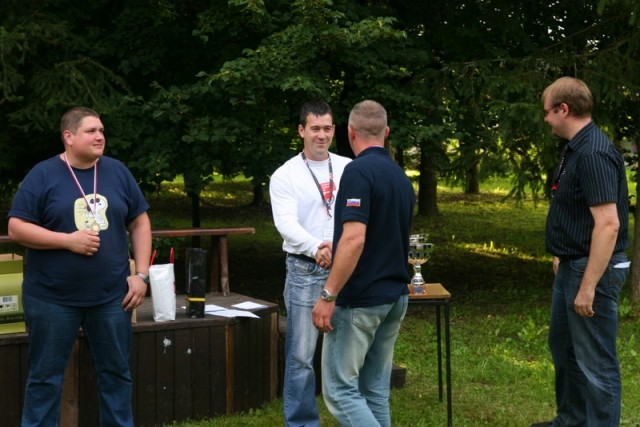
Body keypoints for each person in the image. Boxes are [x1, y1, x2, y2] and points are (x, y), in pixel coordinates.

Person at [8, 107, 152, 426]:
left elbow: (140, 222)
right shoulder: (43, 174)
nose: (100, 136)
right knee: (45, 379)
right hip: (51, 298)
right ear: (69, 137)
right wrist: (67, 241)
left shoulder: (117, 172)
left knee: (116, 375)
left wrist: (141, 275)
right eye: (91, 131)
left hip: (111, 297)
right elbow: (17, 227)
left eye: (101, 130)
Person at [531, 77, 630, 427]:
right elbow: (577, 211)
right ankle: (572, 419)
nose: (545, 119)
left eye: (547, 112)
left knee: (596, 361)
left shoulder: (593, 153)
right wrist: (562, 252)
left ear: (563, 109)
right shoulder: (575, 147)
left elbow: (608, 224)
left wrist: (589, 285)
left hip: (593, 271)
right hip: (573, 265)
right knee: (565, 349)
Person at [312, 100, 415, 427]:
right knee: (373, 390)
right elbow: (377, 235)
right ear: (386, 133)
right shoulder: (399, 176)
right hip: (395, 297)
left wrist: (328, 296)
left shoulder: (357, 172)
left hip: (362, 301)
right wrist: (339, 245)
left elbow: (356, 239)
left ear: (349, 132)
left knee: (340, 391)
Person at [269, 100, 352, 427]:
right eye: (315, 128)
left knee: (347, 350)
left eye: (327, 128)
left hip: (346, 266)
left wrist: (339, 249)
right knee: (302, 355)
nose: (322, 135)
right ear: (301, 130)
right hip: (305, 269)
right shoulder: (285, 175)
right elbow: (285, 223)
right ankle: (302, 422)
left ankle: (351, 416)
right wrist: (316, 246)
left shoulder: (349, 167)